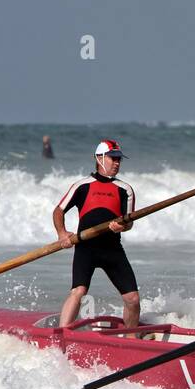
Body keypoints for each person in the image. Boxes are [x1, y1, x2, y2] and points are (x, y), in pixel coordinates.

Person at [53, 139, 139, 328]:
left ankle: (132, 339)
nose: (117, 163)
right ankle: (61, 335)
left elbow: (129, 221)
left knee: (132, 299)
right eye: (113, 158)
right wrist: (62, 233)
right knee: (78, 291)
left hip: (112, 249)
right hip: (86, 247)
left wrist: (123, 227)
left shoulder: (125, 189)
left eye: (119, 160)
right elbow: (58, 211)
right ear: (99, 158)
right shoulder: (82, 186)